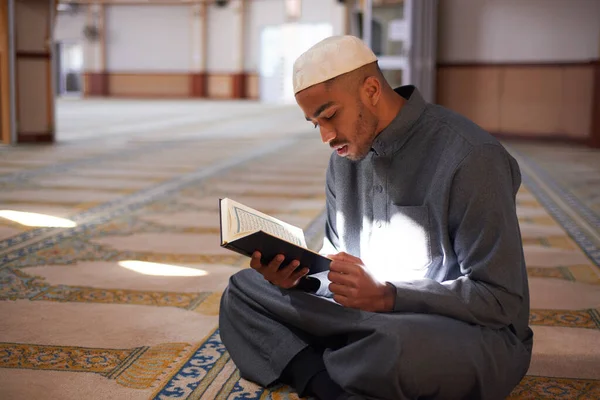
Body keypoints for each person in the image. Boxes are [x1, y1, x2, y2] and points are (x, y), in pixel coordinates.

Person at [219, 35, 533, 400]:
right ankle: (330, 381)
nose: (325, 136)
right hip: (366, 315)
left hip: (457, 329)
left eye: (330, 115)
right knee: (243, 293)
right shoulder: (343, 159)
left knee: (394, 350)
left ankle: (327, 361)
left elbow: (499, 300)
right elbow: (337, 262)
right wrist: (298, 279)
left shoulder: (472, 157)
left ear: (371, 90)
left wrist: (388, 297)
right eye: (313, 123)